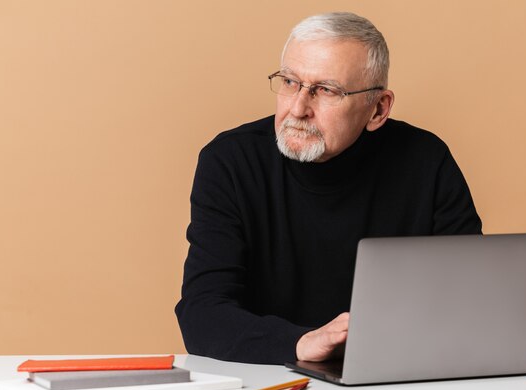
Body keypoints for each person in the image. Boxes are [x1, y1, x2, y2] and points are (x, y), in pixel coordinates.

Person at [175, 12, 482, 365]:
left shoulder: (427, 161)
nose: (298, 108)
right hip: (268, 383)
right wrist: (300, 343)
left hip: (398, 378)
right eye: (290, 82)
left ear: (378, 109)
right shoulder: (229, 161)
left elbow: (469, 300)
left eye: (326, 90)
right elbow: (202, 313)